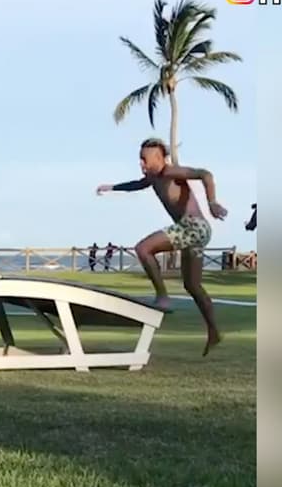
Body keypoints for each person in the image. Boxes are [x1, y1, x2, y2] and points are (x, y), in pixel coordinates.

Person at [96, 138, 228, 356]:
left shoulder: (169, 172)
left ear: (159, 158)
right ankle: (214, 332)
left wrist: (212, 202)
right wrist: (111, 187)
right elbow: (136, 185)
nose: (141, 164)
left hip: (193, 227)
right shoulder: (153, 179)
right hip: (198, 232)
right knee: (192, 286)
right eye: (140, 159)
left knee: (143, 249)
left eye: (145, 159)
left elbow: (205, 174)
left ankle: (163, 296)